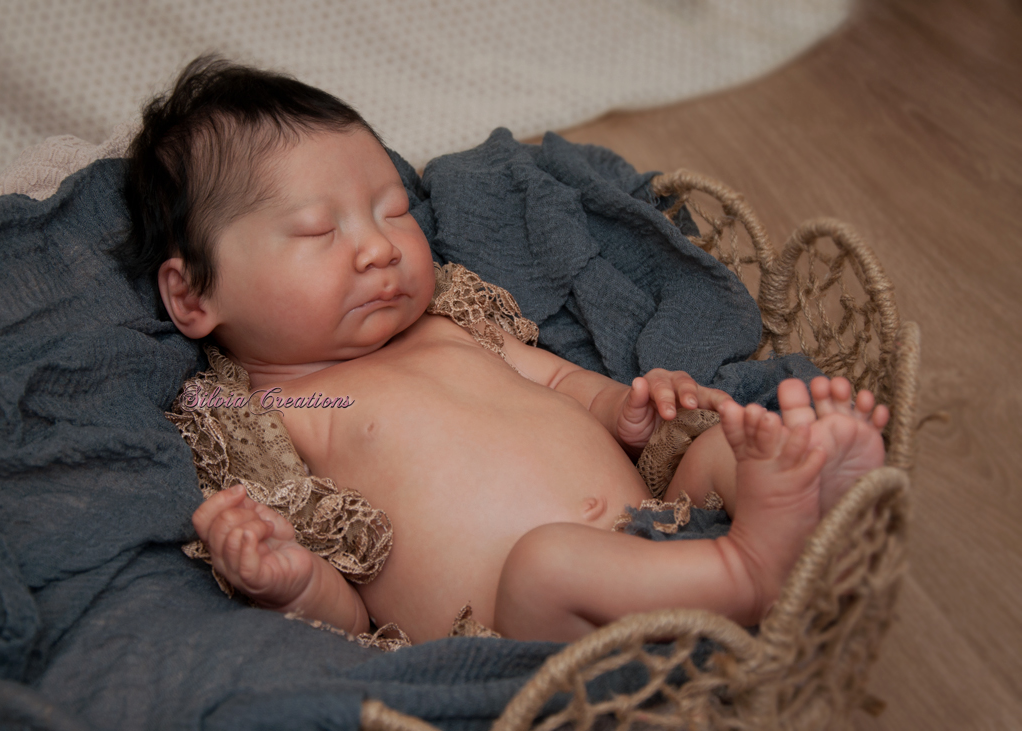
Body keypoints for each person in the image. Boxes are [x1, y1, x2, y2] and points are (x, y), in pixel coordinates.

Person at [118, 57, 889, 644]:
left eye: (393, 210)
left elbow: (563, 384)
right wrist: (290, 583)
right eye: (321, 230)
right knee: (545, 562)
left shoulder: (448, 321)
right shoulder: (267, 417)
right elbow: (350, 616)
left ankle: (809, 480)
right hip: (536, 627)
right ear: (193, 296)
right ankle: (748, 572)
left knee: (723, 440)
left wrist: (626, 408)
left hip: (658, 524)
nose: (381, 249)